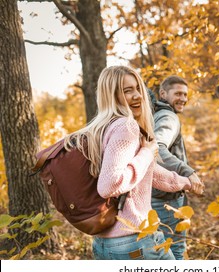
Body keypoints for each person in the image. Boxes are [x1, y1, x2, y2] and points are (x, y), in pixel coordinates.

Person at [63, 66, 201, 260]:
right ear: (111, 95)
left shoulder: (101, 128)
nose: (138, 96)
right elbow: (109, 185)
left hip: (106, 240)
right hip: (135, 239)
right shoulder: (125, 127)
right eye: (128, 91)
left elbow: (151, 173)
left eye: (138, 89)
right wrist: (147, 152)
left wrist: (187, 182)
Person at [151, 75, 205, 260]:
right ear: (163, 93)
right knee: (175, 251)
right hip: (166, 199)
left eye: (185, 94)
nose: (183, 98)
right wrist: (188, 172)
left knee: (160, 251)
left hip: (154, 195)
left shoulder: (155, 114)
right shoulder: (168, 116)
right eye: (178, 93)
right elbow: (156, 148)